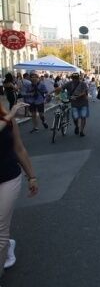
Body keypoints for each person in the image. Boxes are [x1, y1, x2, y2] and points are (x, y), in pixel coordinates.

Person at [0, 101, 39, 276]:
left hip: (8, 177)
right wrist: (9, 116)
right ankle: (7, 246)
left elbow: (19, 148)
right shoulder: (8, 116)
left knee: (0, 229)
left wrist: (32, 176)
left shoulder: (6, 116)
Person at [57, 72, 90, 136]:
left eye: (76, 78)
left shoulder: (83, 84)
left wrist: (77, 96)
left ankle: (81, 131)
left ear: (78, 78)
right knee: (75, 118)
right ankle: (77, 126)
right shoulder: (69, 83)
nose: (75, 79)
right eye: (74, 78)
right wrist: (51, 93)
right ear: (72, 78)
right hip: (74, 103)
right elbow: (61, 88)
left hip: (83, 103)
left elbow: (84, 92)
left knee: (83, 117)